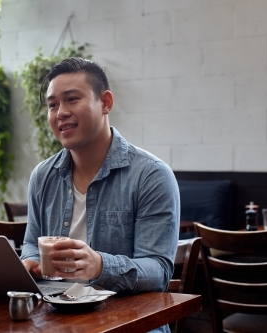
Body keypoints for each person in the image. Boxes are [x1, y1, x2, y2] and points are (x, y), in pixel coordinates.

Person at [20, 58, 179, 331]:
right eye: (52, 105)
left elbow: (159, 271)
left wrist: (99, 265)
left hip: (130, 324)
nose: (60, 113)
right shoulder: (42, 176)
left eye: (71, 99)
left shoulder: (151, 175)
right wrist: (28, 262)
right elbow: (32, 244)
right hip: (58, 321)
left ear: (105, 102)